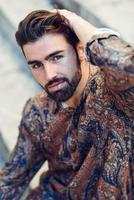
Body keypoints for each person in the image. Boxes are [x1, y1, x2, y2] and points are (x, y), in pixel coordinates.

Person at [0, 9, 134, 200]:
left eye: (56, 57)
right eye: (37, 65)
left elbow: (126, 67)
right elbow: (11, 180)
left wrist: (76, 22)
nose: (49, 75)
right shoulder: (38, 111)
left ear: (81, 50)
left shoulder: (115, 93)